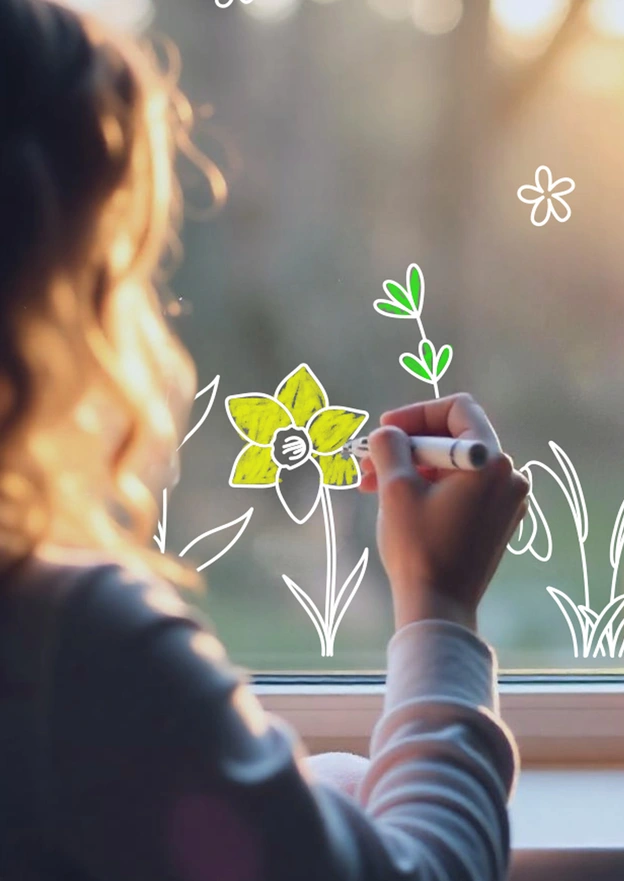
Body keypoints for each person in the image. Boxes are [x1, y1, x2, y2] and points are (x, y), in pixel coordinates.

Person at [0, 1, 530, 879]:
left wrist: (309, 797)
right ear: (52, 306)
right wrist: (439, 607)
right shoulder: (78, 654)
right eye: (123, 275)